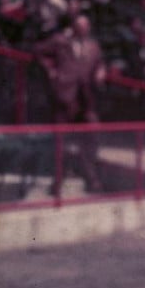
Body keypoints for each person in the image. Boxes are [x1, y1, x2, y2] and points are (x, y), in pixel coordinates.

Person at [34, 13, 106, 193]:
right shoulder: (60, 42)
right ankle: (58, 180)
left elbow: (99, 63)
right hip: (65, 95)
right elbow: (37, 51)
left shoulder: (93, 46)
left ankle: (92, 178)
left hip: (86, 99)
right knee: (61, 140)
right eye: (80, 25)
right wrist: (51, 70)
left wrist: (101, 72)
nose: (84, 28)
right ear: (74, 27)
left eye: (86, 25)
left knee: (91, 138)